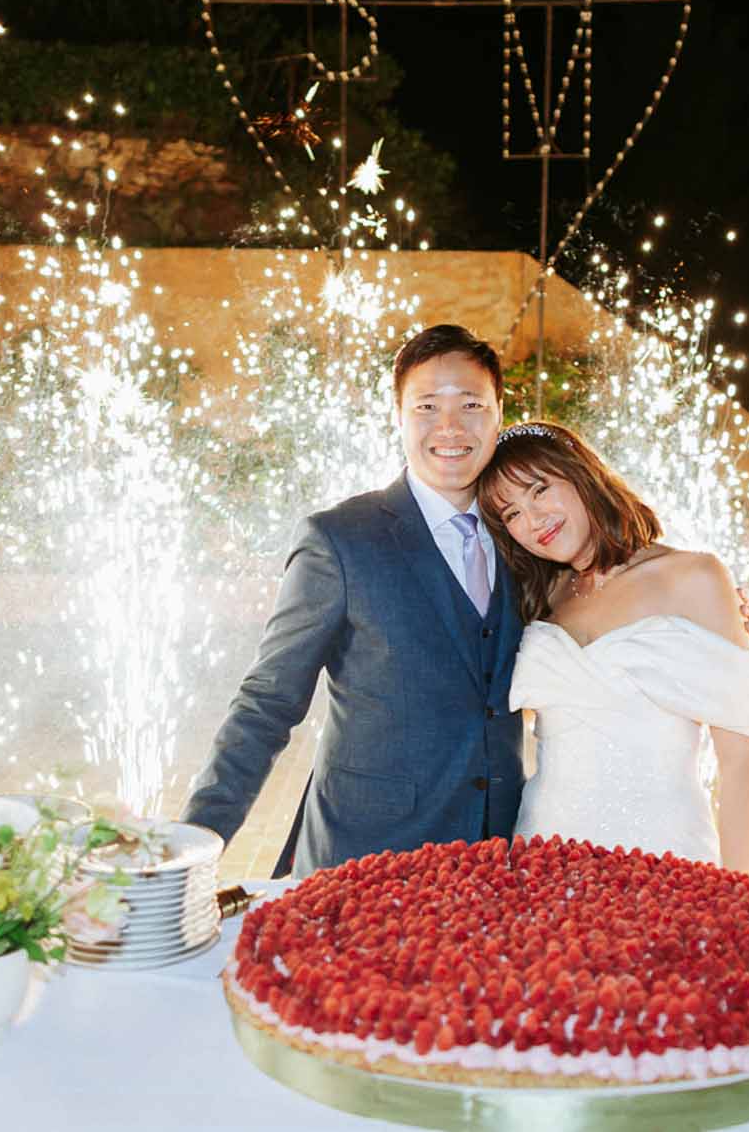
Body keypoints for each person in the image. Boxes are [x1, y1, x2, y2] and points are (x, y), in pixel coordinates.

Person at [180, 325, 525, 877]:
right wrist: (193, 844)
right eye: (427, 406)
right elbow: (267, 702)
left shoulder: (524, 537)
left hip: (493, 862)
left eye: (472, 405)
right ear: (399, 419)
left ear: (500, 414)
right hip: (365, 856)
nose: (451, 427)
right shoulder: (339, 539)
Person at [476, 421, 749, 874]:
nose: (532, 520)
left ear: (582, 474)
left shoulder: (693, 577)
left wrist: (739, 894)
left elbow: (739, 765)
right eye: (512, 514)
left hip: (663, 854)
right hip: (542, 855)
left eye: (539, 490)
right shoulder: (536, 596)